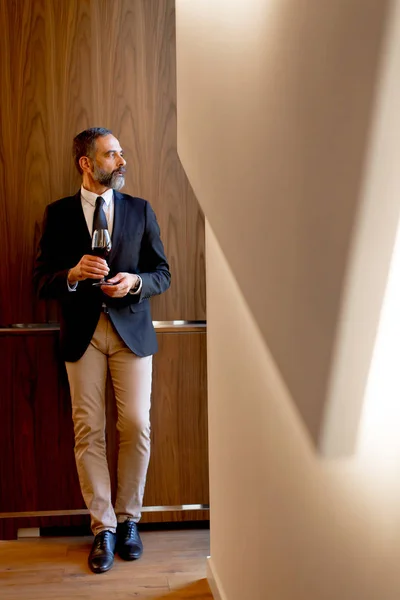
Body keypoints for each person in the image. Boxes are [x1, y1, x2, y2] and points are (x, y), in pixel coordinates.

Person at [33, 127, 171, 574]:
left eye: (121, 153)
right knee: (88, 429)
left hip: (131, 332)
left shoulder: (140, 210)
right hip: (83, 336)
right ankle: (103, 528)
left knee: (135, 425)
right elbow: (40, 281)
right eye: (111, 155)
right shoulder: (57, 215)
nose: (121, 160)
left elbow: (163, 274)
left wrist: (134, 283)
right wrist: (72, 273)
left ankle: (131, 519)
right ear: (86, 163)